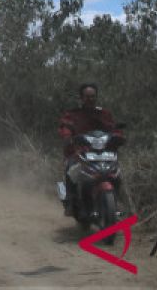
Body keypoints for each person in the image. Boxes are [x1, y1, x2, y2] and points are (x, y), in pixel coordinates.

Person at [57, 83, 126, 215]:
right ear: (81, 98)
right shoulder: (72, 114)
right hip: (78, 151)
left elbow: (113, 128)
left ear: (97, 97)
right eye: (87, 97)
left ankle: (115, 201)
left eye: (93, 96)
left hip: (102, 151)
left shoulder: (104, 113)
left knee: (116, 173)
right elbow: (65, 126)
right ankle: (71, 202)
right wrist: (67, 136)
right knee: (71, 169)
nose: (90, 99)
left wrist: (118, 136)